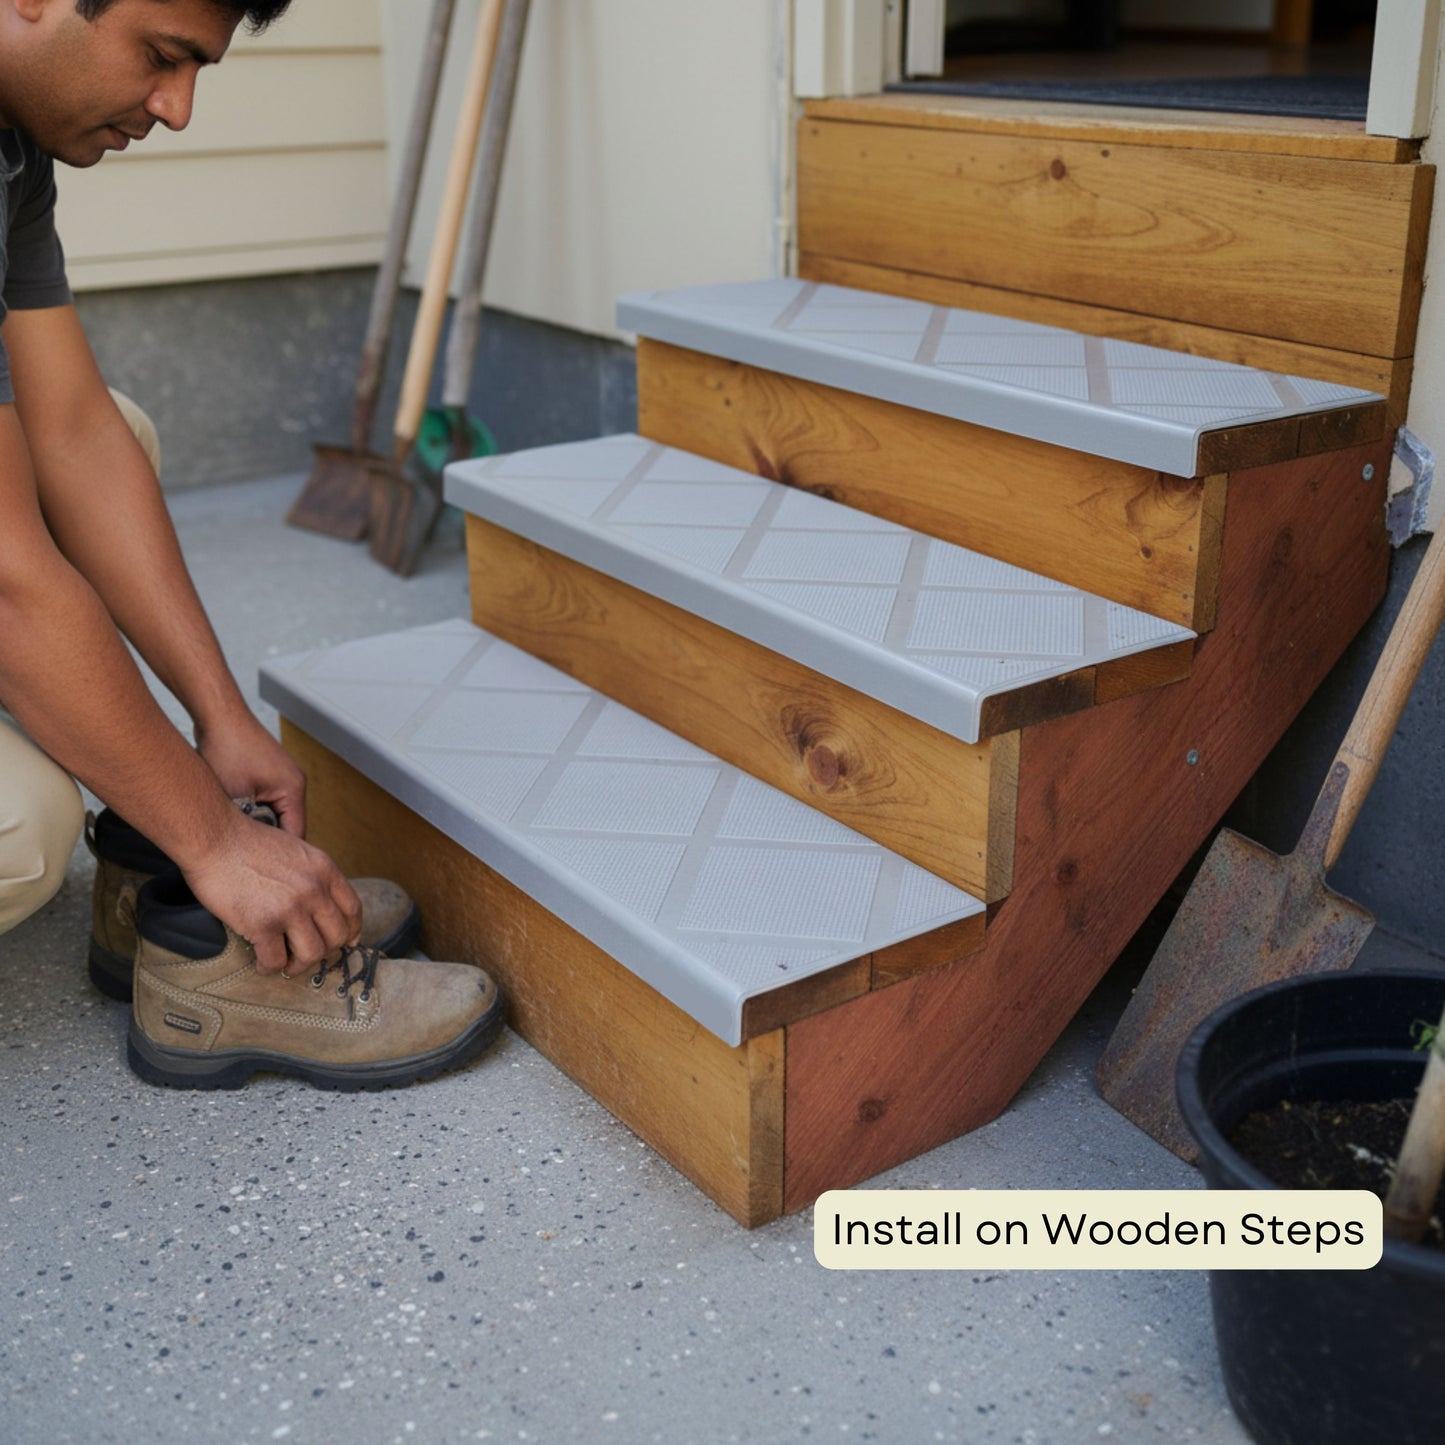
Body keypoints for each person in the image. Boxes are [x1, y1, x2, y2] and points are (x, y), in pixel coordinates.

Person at [0, 0, 503, 1088]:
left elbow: (76, 436)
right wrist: (215, 840)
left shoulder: (13, 143)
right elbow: (6, 582)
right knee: (22, 825)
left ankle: (154, 899)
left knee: (102, 430)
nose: (179, 109)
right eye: (161, 56)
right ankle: (200, 927)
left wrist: (216, 718)